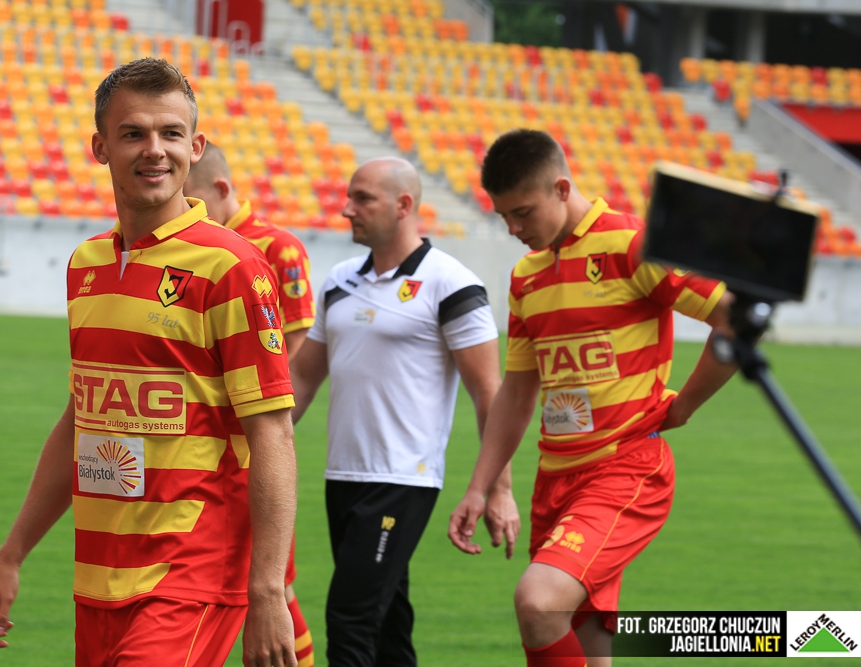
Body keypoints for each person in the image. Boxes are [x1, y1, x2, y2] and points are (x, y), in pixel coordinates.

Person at [0, 58, 299, 667]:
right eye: (133, 133)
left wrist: (268, 590)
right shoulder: (86, 264)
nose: (155, 150)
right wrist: (11, 554)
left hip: (191, 573)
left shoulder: (231, 268)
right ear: (100, 147)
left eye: (171, 133)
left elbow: (273, 431)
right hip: (99, 576)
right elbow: (82, 418)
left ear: (195, 147)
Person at [448, 129, 736, 667]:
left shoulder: (632, 245)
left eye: (523, 213)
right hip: (555, 481)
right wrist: (479, 487)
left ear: (561, 188)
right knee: (585, 644)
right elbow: (517, 392)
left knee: (538, 603)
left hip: (624, 470)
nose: (513, 229)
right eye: (504, 217)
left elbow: (733, 318)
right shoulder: (526, 277)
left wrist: (684, 406)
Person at [290, 156, 520, 667]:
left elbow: (489, 392)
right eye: (349, 197)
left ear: (403, 205)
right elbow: (302, 377)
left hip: (402, 481)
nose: (347, 209)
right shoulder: (339, 281)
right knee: (388, 629)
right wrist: (250, 443)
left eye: (362, 198)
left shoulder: (451, 284)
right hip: (341, 476)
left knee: (350, 620)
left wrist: (498, 489)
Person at [185, 142, 316, 667]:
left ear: (220, 189)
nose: (184, 210)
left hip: (254, 437)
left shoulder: (278, 246)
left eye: (191, 199)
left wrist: (260, 404)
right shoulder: (190, 247)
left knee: (273, 584)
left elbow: (299, 335)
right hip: (205, 443)